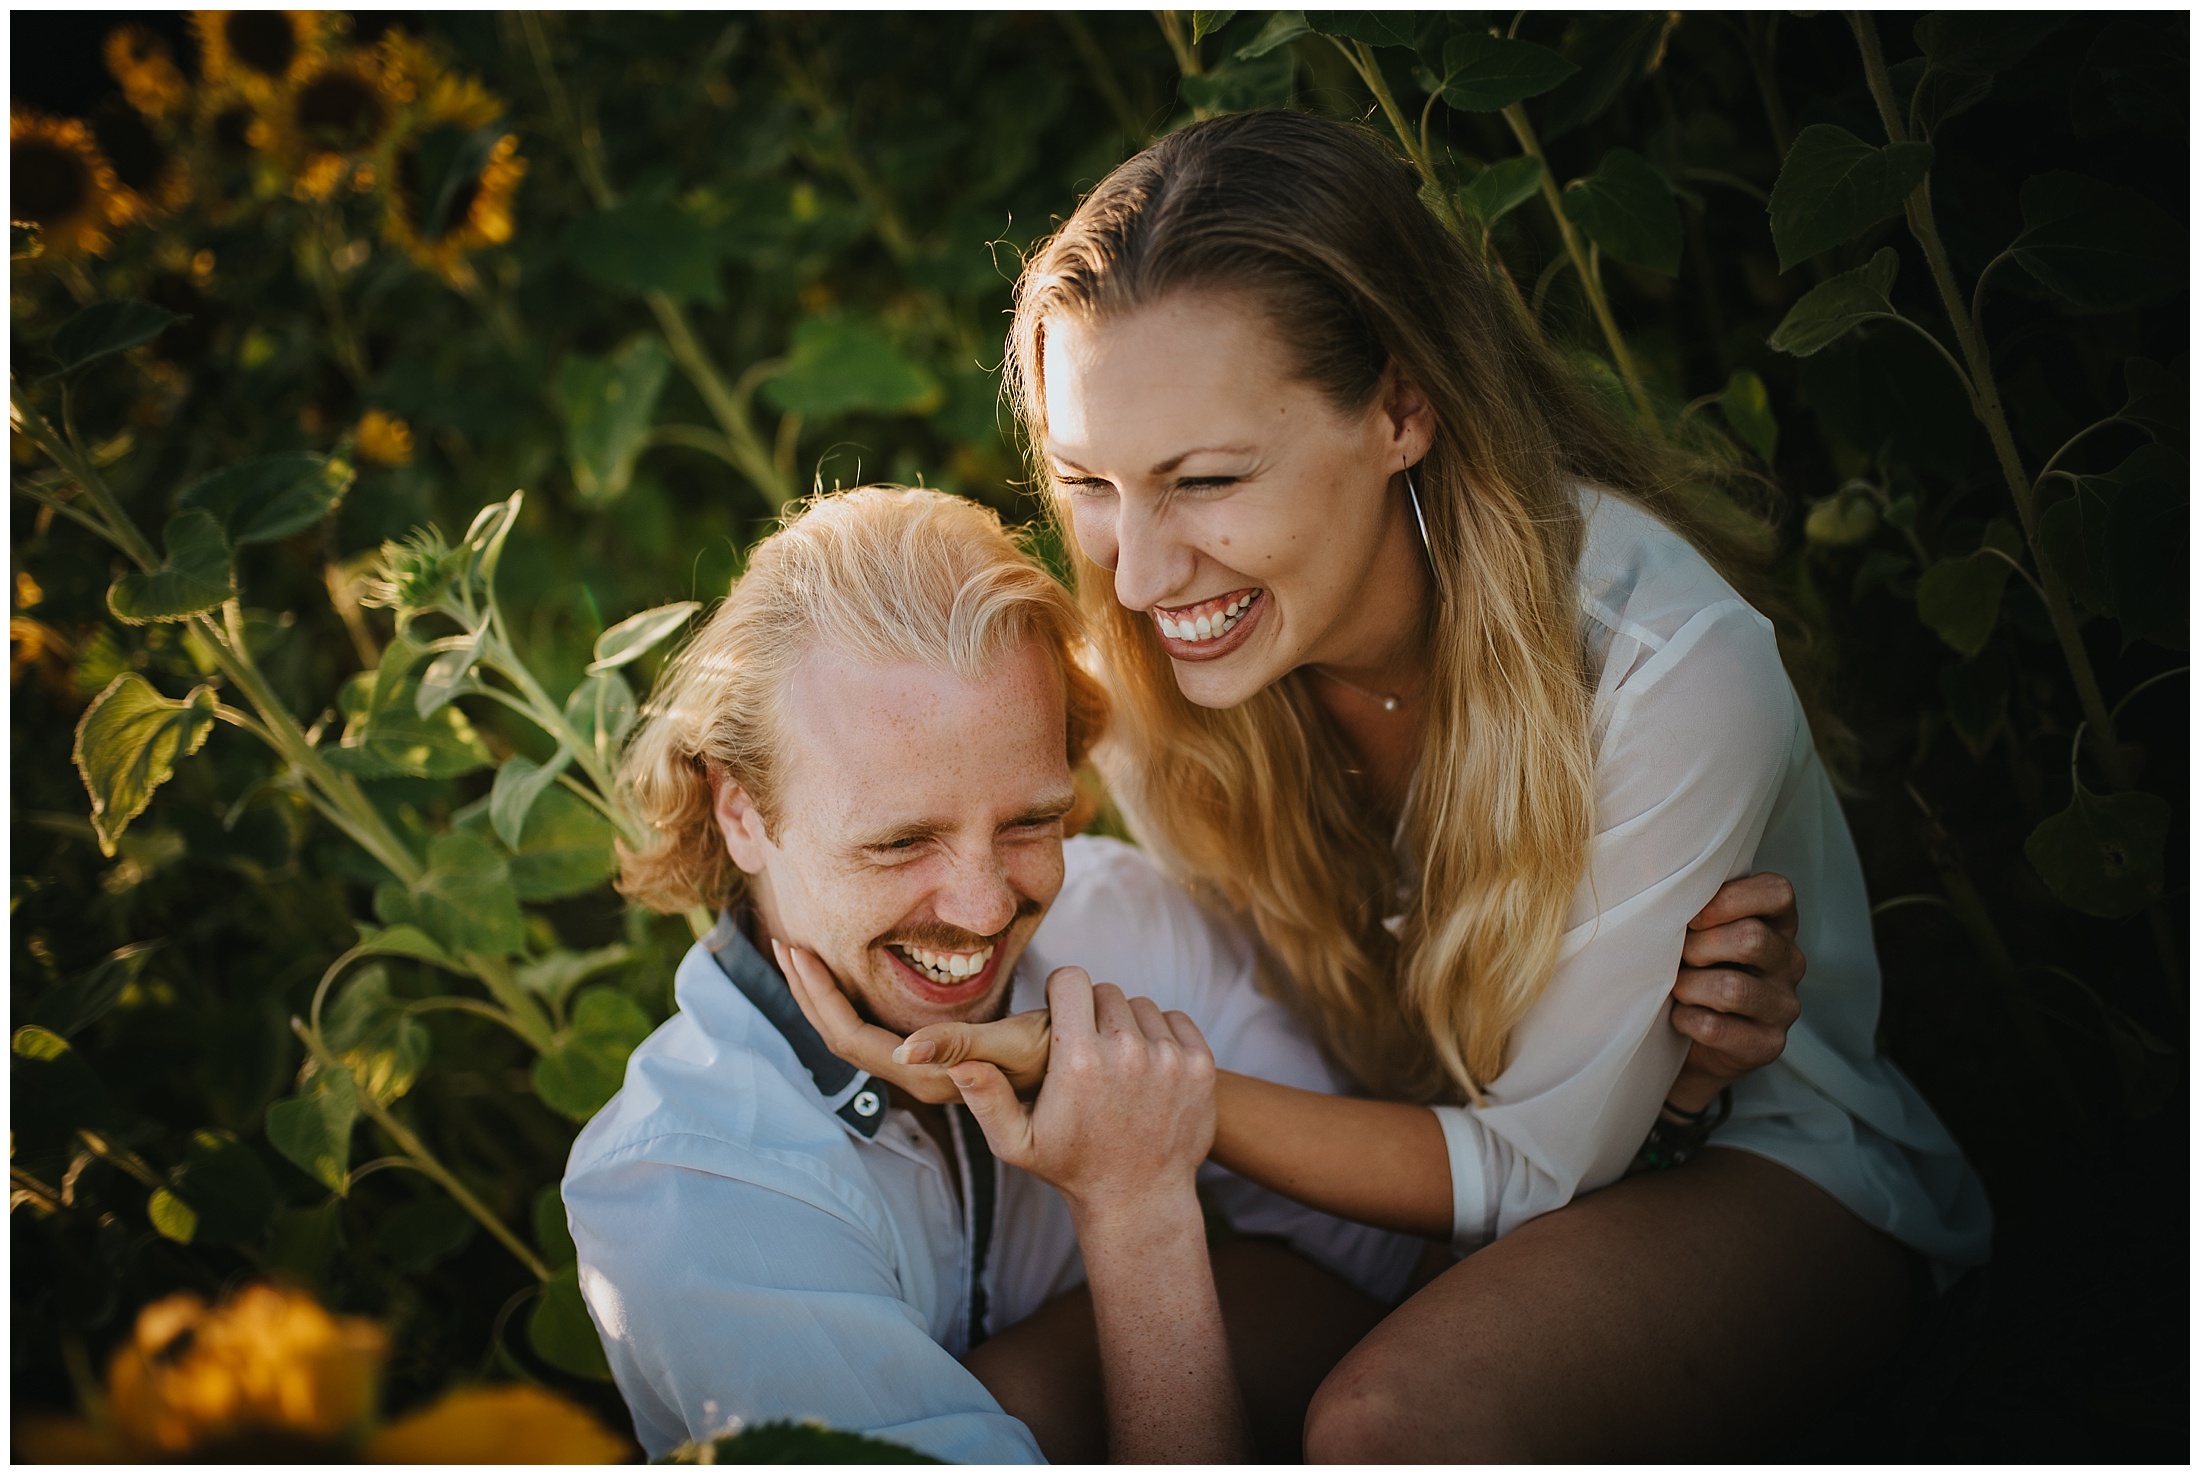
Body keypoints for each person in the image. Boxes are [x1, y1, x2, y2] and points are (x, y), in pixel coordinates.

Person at [843, 110, 1993, 1459]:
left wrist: (1165, 1101)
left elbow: (1539, 1167)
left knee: (1392, 1425)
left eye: (1205, 479)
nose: (1142, 575)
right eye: (1091, 481)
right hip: (1387, 1202)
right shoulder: (1146, 686)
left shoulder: (1667, 669)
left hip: (1751, 1161)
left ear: (1401, 406)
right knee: (1004, 1409)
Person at [563, 486, 1809, 1462]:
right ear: (738, 811)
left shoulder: (1123, 922)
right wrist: (1139, 1210)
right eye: (899, 840)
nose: (987, 904)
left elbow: (1413, 1295)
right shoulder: (691, 1193)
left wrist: (1668, 1087)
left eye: (1031, 818)